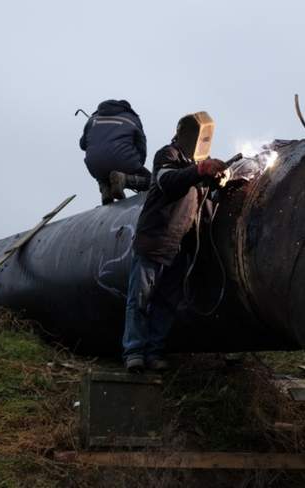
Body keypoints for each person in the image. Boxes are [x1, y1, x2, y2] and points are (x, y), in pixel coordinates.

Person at [122, 111, 227, 373]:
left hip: (179, 248)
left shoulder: (193, 167)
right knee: (141, 299)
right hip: (155, 240)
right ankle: (134, 352)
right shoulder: (167, 156)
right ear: (182, 135)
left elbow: (205, 203)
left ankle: (154, 352)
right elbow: (168, 181)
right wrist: (200, 170)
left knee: (167, 304)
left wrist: (218, 182)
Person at [79, 99, 151, 204]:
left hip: (94, 164)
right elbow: (141, 146)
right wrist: (138, 164)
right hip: (124, 160)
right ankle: (125, 179)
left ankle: (106, 190)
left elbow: (82, 145)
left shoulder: (92, 119)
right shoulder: (133, 118)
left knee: (102, 168)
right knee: (152, 181)